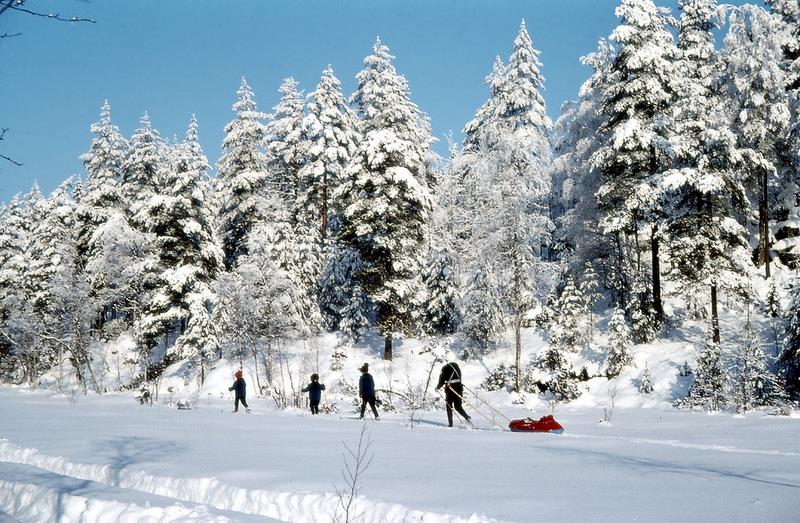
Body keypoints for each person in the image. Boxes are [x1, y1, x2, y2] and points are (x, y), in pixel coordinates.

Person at [435, 361, 471, 427]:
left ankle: (450, 424)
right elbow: (460, 379)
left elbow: (441, 379)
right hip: (459, 388)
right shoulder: (457, 369)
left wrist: (437, 388)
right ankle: (467, 417)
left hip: (450, 390)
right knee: (458, 406)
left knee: (449, 406)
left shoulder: (444, 369)